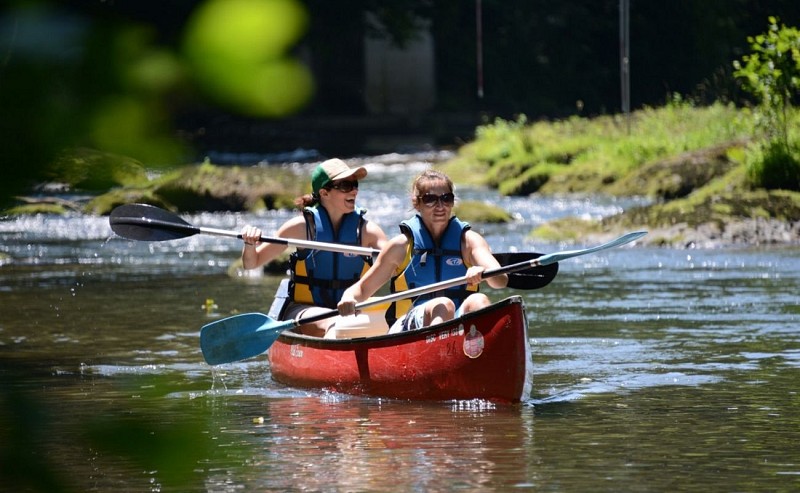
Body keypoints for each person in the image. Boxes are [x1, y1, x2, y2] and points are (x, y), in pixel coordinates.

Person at [337, 169, 508, 333]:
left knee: (479, 301)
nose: (440, 206)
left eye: (446, 198)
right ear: (416, 203)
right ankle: (437, 354)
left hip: (455, 324)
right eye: (430, 199)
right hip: (406, 327)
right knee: (442, 305)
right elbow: (362, 289)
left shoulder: (469, 241)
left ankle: (477, 351)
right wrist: (348, 298)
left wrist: (483, 271)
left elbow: (500, 280)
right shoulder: (401, 246)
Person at [240, 158, 388, 336]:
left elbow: (394, 262)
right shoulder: (301, 227)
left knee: (378, 322)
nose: (354, 190)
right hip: (305, 310)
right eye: (345, 185)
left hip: (353, 308)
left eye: (355, 184)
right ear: (324, 193)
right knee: (338, 325)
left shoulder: (367, 230)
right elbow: (252, 263)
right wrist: (249, 243)